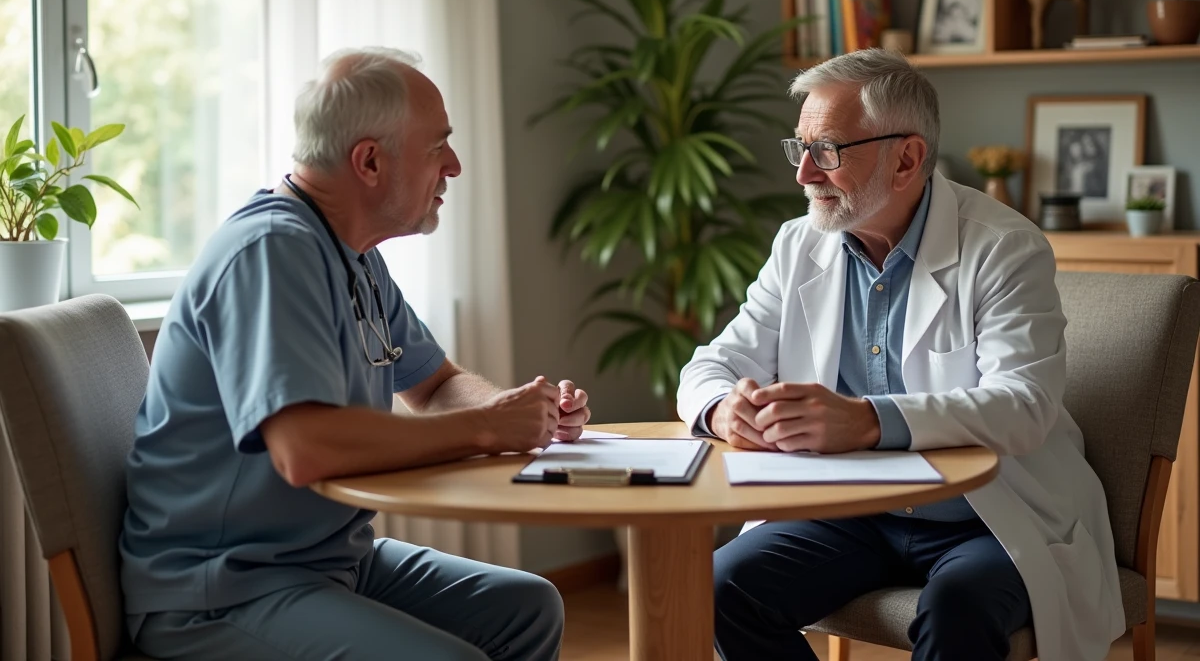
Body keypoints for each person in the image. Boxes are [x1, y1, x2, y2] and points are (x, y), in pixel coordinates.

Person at [120, 47, 591, 661]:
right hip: (223, 587)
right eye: (437, 147)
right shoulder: (271, 253)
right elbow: (305, 450)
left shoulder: (354, 254)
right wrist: (484, 429)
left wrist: (517, 410)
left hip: (328, 559)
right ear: (370, 161)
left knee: (528, 608)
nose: (454, 165)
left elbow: (433, 383)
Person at [677, 49, 1124, 661]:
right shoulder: (800, 244)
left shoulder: (1004, 248)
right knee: (716, 587)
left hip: (987, 512)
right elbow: (708, 366)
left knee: (958, 608)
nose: (804, 174)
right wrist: (723, 408)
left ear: (907, 158)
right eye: (799, 148)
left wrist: (866, 420)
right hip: (849, 511)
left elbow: (1023, 407)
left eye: (827, 150)